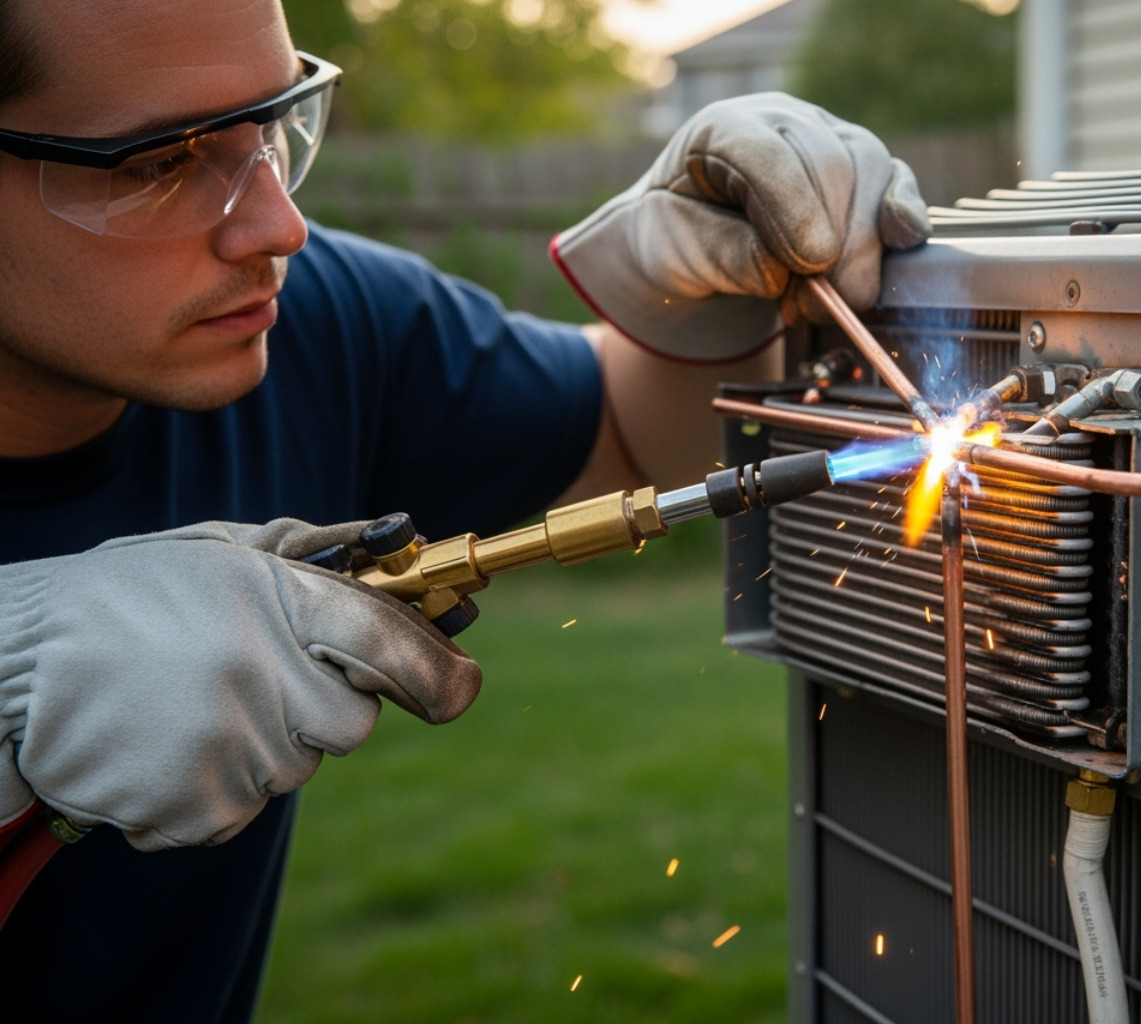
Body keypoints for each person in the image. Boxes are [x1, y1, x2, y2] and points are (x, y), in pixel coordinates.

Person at [0, 0, 929, 1020]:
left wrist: (699, 299)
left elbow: (630, 435)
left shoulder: (310, 325)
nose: (280, 226)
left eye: (270, 126)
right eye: (159, 165)